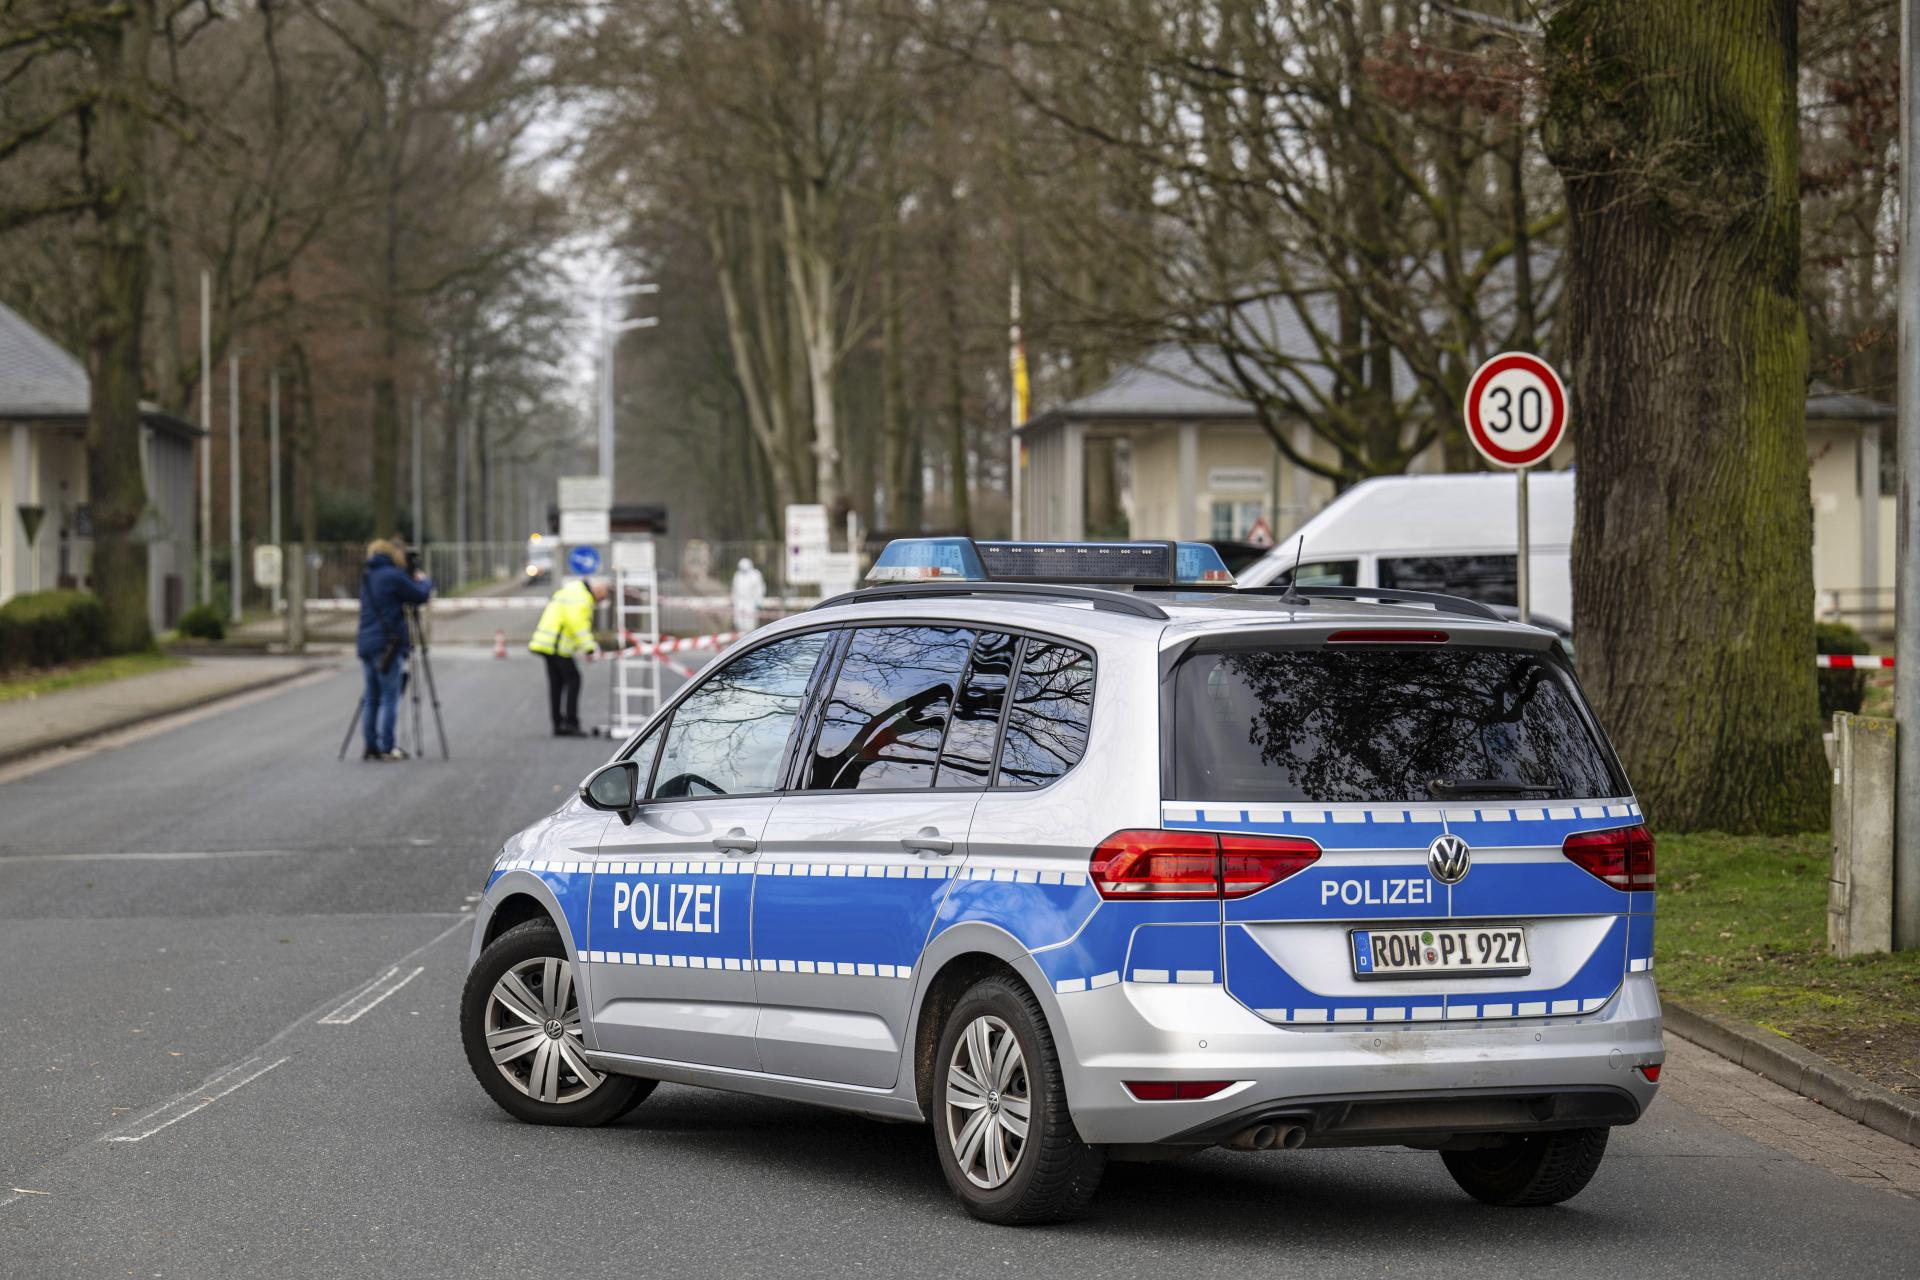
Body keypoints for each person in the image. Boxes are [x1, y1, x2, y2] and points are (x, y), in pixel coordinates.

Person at [356, 538, 433, 761]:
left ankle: (371, 744)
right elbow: (419, 595)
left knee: (372, 696)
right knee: (390, 696)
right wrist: (425, 581)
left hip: (366, 643)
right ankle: (387, 746)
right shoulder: (393, 576)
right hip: (387, 644)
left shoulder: (368, 576)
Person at [529, 576, 610, 736]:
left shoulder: (574, 590)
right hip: (556, 645)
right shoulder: (582, 597)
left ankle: (558, 723)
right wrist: (589, 648)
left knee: (556, 683)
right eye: (601, 598)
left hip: (547, 643)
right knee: (574, 679)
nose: (599, 602)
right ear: (597, 590)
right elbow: (577, 624)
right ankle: (570, 723)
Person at [730, 556, 766, 634]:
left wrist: (759, 601)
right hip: (739, 602)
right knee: (739, 622)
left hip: (751, 602)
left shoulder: (755, 574)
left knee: (750, 623)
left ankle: (750, 641)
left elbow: (759, 588)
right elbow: (734, 589)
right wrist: (733, 600)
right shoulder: (737, 575)